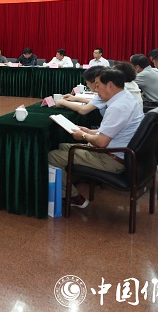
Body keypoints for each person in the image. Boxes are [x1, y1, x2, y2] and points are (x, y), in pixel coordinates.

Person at [48, 69, 143, 209]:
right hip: (118, 152)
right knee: (62, 146)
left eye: (97, 85)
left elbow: (101, 142)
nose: (96, 90)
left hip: (110, 158)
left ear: (110, 85)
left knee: (52, 156)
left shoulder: (118, 107)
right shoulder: (125, 97)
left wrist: (83, 136)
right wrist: (89, 131)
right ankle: (67, 183)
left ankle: (73, 197)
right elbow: (113, 130)